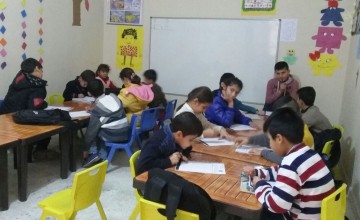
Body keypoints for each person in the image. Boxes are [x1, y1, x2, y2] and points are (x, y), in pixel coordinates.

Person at [242, 107, 335, 220]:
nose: (270, 145)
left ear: (279, 139)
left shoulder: (291, 164)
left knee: (267, 209)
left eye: (270, 140)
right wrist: (258, 171)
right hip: (321, 215)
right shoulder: (309, 154)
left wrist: (259, 184)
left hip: (303, 217)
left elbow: (276, 205)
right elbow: (282, 171)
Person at [0, 58, 54, 160]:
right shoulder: (37, 84)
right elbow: (34, 107)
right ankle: (39, 151)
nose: (42, 73)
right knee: (48, 126)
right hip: (20, 120)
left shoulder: (19, 78)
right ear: (37, 68)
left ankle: (28, 151)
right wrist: (45, 103)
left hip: (5, 117)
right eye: (42, 70)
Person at [235, 95, 314, 164]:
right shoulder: (290, 127)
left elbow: (286, 160)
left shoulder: (303, 137)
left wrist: (263, 152)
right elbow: (269, 137)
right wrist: (249, 140)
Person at [82, 79, 129, 168]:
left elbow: (90, 133)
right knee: (103, 126)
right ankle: (102, 156)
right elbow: (109, 110)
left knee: (93, 131)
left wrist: (85, 149)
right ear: (103, 89)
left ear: (89, 93)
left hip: (113, 135)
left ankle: (93, 153)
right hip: (125, 131)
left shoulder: (98, 110)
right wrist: (94, 109)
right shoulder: (113, 96)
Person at [137, 112, 203, 174]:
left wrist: (181, 154)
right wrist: (169, 161)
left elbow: (184, 148)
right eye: (191, 140)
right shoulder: (158, 142)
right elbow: (143, 166)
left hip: (165, 172)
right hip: (150, 180)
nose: (192, 144)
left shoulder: (175, 135)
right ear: (179, 134)